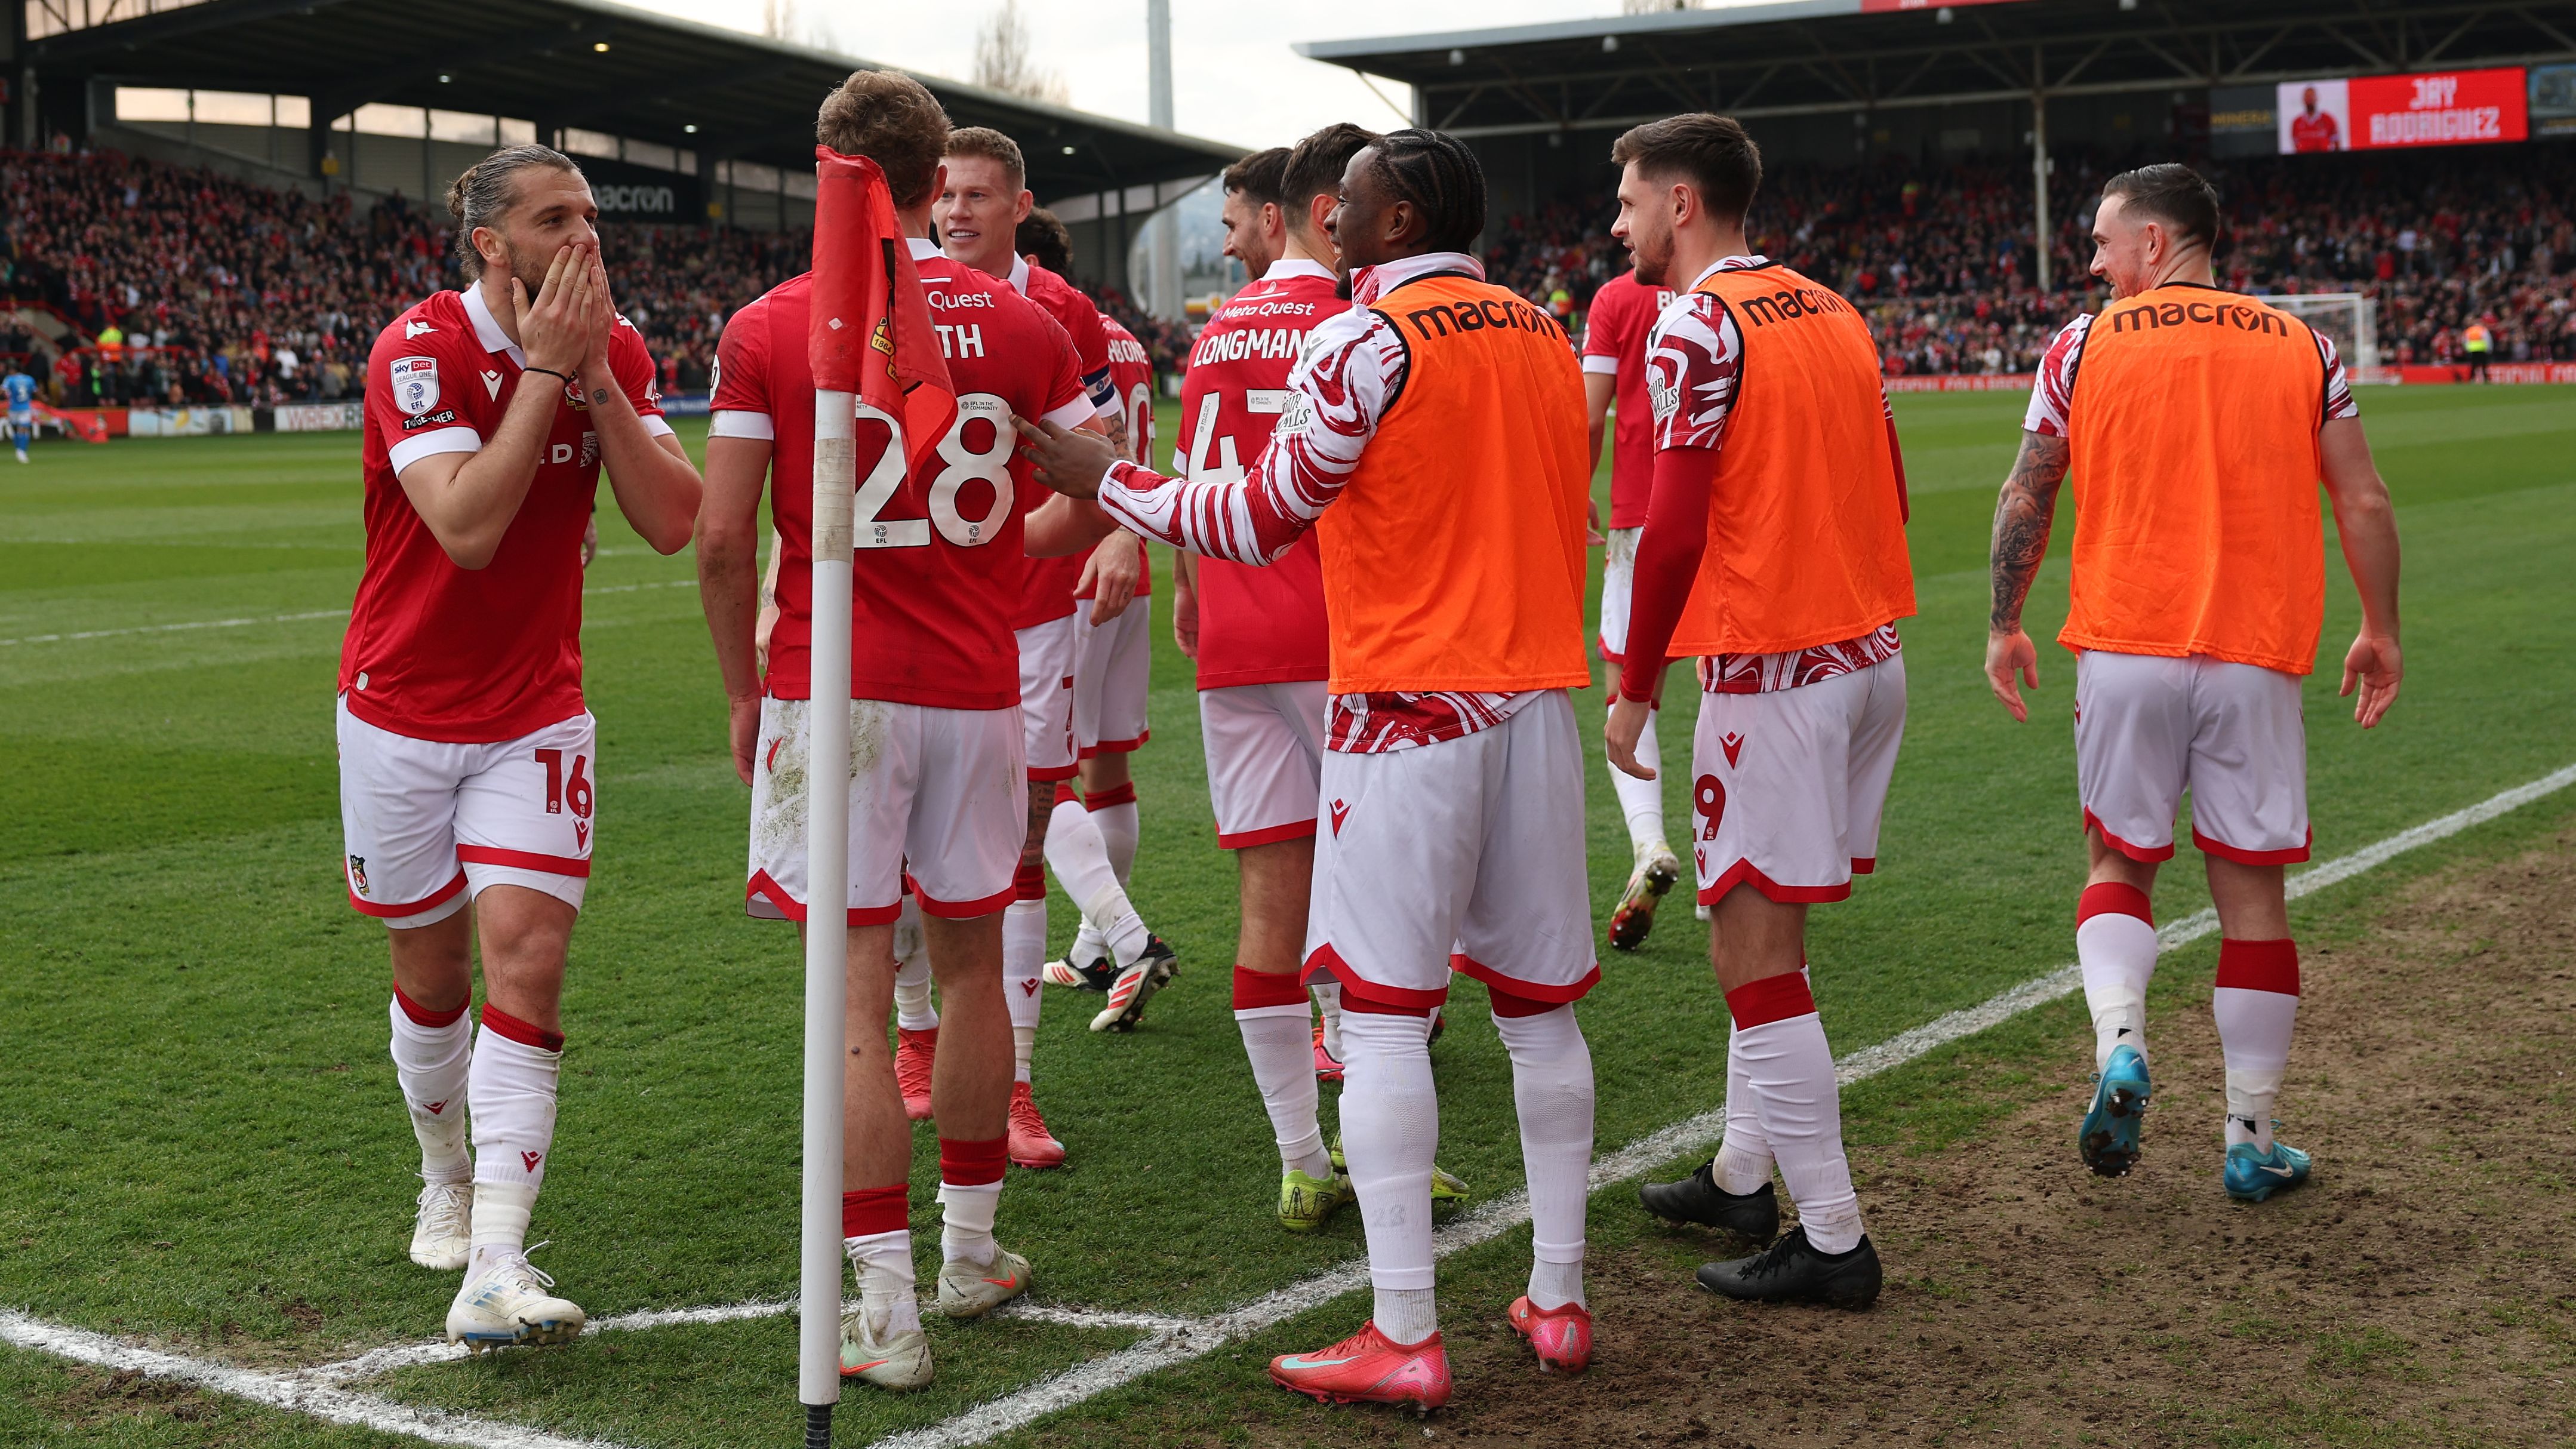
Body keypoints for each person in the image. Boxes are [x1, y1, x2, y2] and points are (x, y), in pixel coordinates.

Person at [1017, 126, 1601, 1405]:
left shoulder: (1365, 338)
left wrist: (1108, 482)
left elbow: (1255, 515)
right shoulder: (1543, 332)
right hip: (1534, 698)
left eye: (1356, 207)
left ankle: (1405, 1330)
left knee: (1385, 1010)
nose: (1331, 222)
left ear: (1397, 224)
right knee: (1540, 1008)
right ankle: (1558, 1297)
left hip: (1405, 704)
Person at [695, 69, 1116, 1390]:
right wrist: (993, 568)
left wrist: (738, 689)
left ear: (828, 170)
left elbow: (720, 538)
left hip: (838, 688)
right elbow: (1094, 495)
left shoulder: (771, 322)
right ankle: (972, 1251)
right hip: (978, 686)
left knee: (860, 991)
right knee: (979, 968)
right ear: (941, 183)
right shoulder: (1022, 317)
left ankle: (882, 1310)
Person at [1985, 162, 2402, 1202]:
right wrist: (2381, 627)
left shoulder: (2082, 344)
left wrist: (2003, 621)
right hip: (2254, 657)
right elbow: (2364, 501)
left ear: (2156, 244)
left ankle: (2122, 1045)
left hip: (2125, 646)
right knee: (2254, 895)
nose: (2092, 263)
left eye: (2102, 243)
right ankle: (2251, 1138)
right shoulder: (2306, 346)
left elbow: (2029, 489)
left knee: (2118, 859)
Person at [344, 144, 701, 1352]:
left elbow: (673, 521)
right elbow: (466, 526)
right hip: (398, 708)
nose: (584, 235)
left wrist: (592, 377)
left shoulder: (620, 349)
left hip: (538, 711)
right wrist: (550, 372)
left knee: (529, 959)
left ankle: (495, 1262)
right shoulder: (421, 349)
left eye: (591, 214)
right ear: (493, 242)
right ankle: (442, 1166)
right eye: (557, 218)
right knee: (433, 976)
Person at [1606, 114, 1913, 1310]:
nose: (1617, 220)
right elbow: (1883, 482)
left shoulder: (1695, 322)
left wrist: (1634, 686)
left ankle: (1831, 1238)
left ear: (1683, 203)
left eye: (1627, 199)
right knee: (1763, 927)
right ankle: (1743, 1173)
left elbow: (1673, 528)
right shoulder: (1832, 306)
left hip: (1773, 669)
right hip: (1864, 648)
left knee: (1751, 946)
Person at [940, 129, 1177, 1125]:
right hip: (929, 607)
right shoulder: (904, 297)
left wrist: (1116, 539)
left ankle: (1024, 1081)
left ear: (1021, 205)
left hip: (1036, 594)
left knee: (1022, 822)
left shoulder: (1066, 312)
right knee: (945, 836)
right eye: (944, 193)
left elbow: (1111, 450)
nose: (956, 211)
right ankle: (932, 1045)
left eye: (978, 196)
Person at [1014, 207, 1162, 1017]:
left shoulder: (1046, 319)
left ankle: (1126, 939)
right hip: (1124, 554)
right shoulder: (1124, 335)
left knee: (1036, 774)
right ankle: (1088, 948)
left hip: (1065, 565)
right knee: (1105, 762)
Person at [1578, 260, 1683, 950]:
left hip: (1642, 512)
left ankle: (1650, 844)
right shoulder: (1736, 292)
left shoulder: (1617, 298)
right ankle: (1727, 870)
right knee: (1731, 687)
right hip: (1728, 514)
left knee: (1629, 690)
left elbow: (1590, 413)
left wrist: (1574, 490)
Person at [2289, 87, 2340, 152]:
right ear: (2304, 99)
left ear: (2317, 98)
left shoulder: (2328, 120)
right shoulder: (2297, 122)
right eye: (2307, 96)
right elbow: (2296, 144)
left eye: (2311, 96)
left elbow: (2337, 143)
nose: (2309, 99)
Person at [5, 365, 36, 462]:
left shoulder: (10, 379)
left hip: (14, 408)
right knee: (23, 429)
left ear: (12, 370)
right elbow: (35, 391)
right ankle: (21, 450)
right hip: (25, 407)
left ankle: (21, 451)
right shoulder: (29, 379)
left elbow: (3, 389)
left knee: (19, 429)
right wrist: (45, 398)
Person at [2462, 314, 2494, 382]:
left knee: (2474, 365)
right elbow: (2488, 340)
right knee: (2484, 365)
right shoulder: (2483, 330)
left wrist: (2467, 349)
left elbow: (2465, 341)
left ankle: (2471, 379)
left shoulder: (2469, 330)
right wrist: (2489, 349)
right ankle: (2486, 379)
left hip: (2473, 350)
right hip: (2482, 349)